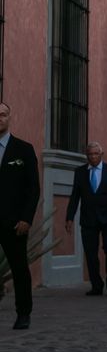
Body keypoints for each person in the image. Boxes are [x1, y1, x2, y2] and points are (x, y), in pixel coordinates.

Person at [65, 142, 107, 295]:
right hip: (88, 219)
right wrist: (69, 218)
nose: (92, 157)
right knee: (90, 253)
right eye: (90, 154)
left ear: (101, 154)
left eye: (95, 154)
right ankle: (96, 285)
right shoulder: (80, 172)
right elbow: (74, 196)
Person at [0, 103, 41, 330]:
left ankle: (23, 313)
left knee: (19, 269)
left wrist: (26, 218)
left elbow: (33, 189)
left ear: (9, 118)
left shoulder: (23, 149)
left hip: (14, 222)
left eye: (3, 114)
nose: (0, 118)